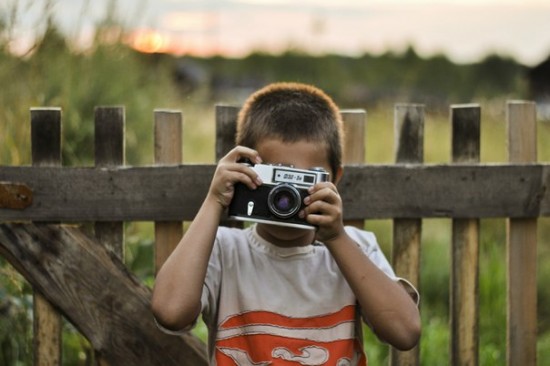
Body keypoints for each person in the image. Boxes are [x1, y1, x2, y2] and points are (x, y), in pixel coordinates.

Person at [151, 82, 420, 365]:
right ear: (245, 170)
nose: (286, 197)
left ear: (334, 179)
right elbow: (170, 312)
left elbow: (404, 332)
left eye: (303, 181)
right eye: (277, 177)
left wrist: (337, 238)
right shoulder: (223, 250)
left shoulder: (357, 248)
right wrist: (214, 201)